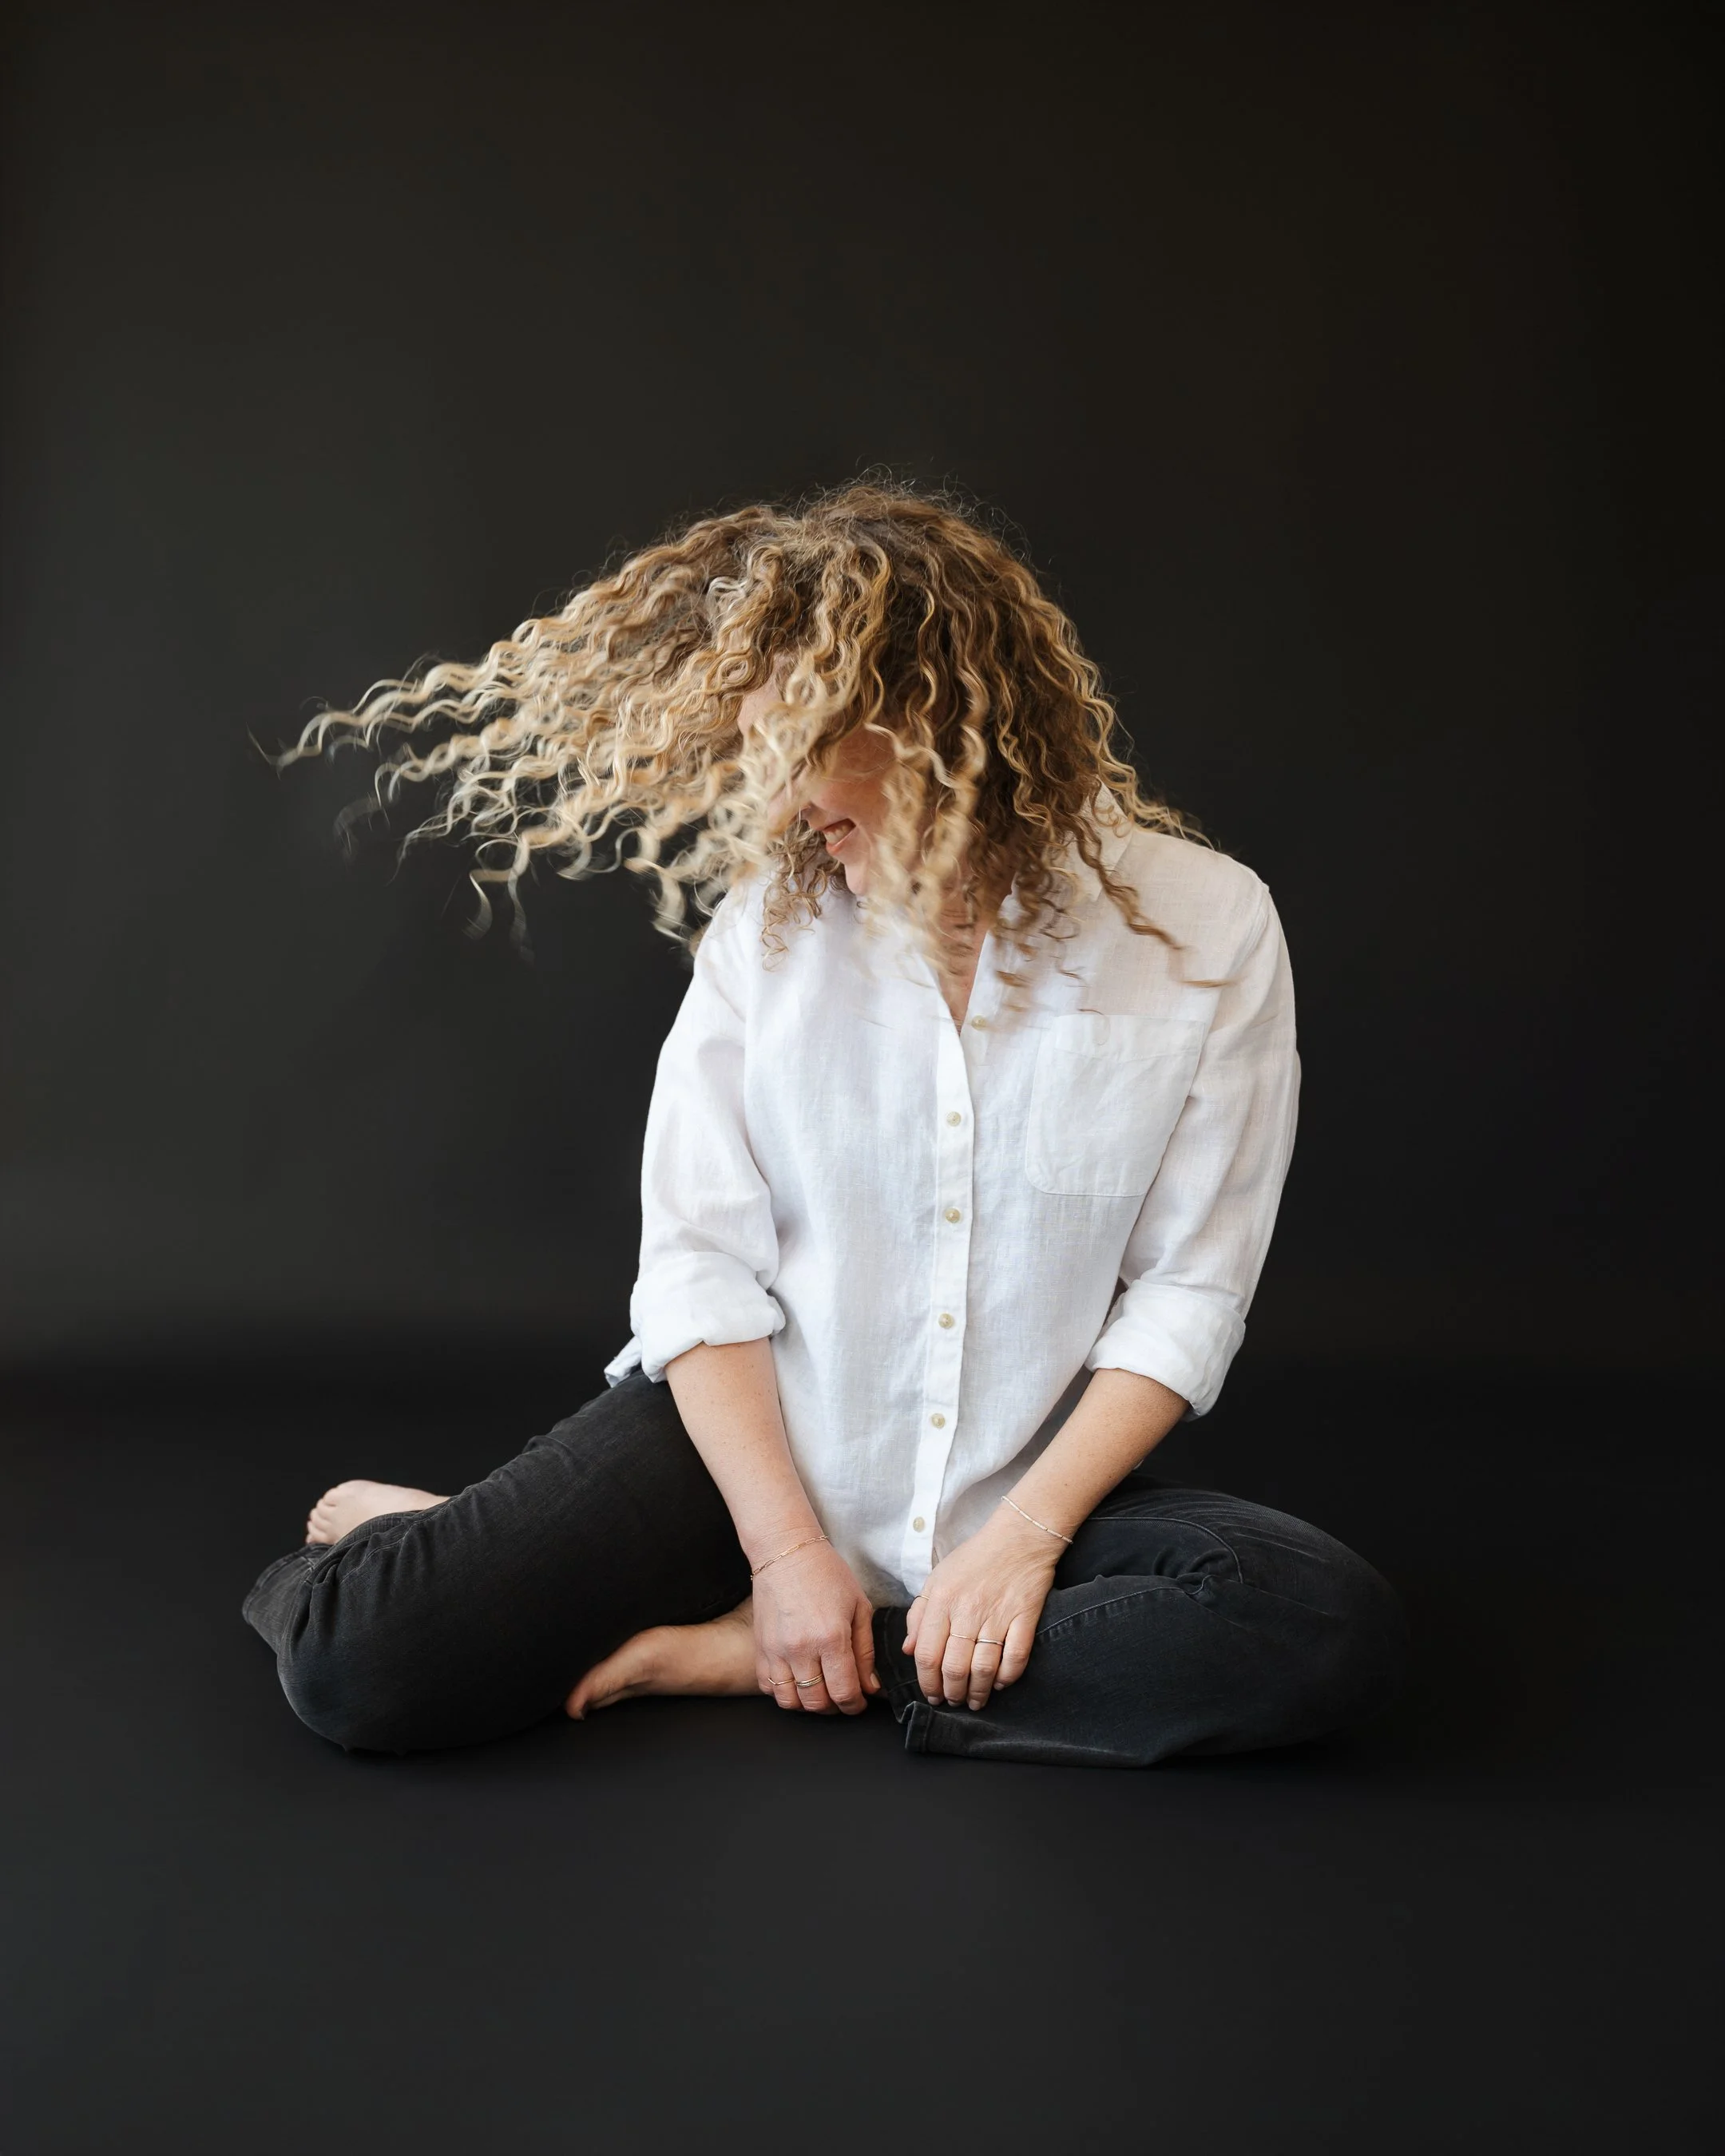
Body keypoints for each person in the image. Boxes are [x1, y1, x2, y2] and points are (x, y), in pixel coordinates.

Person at [244, 482, 1406, 1766]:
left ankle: (772, 1657)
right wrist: (787, 1551)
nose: (781, 794)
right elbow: (698, 1265)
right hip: (736, 1470)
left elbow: (1191, 1289)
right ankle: (480, 1542)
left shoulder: (1209, 926)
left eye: (796, 741)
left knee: (1315, 1623)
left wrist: (1023, 1544)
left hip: (1018, 1496)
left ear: (934, 723)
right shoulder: (771, 934)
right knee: (361, 1662)